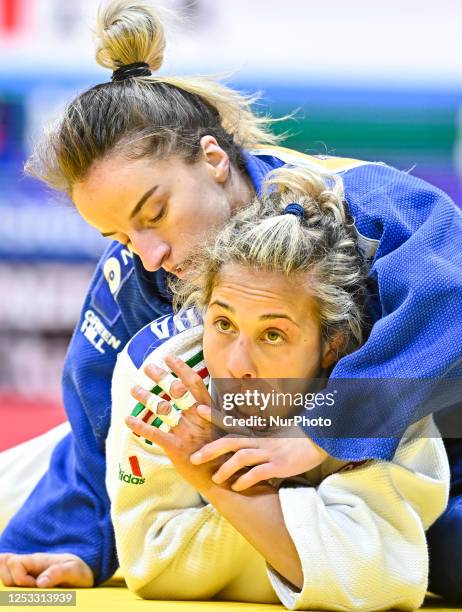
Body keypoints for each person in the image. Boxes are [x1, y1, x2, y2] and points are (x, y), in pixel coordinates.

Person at [0, 0, 461, 598]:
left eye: (155, 213)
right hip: (266, 490)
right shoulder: (139, 272)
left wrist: (330, 425)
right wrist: (65, 542)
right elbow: (97, 416)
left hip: (428, 462)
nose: (148, 253)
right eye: (119, 236)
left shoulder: (363, 204)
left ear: (214, 158)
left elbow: (451, 305)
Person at [106, 166, 449, 610]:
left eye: (273, 335)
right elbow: (154, 565)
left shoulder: (385, 390)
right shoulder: (163, 378)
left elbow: (384, 580)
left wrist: (222, 485)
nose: (236, 366)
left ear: (333, 345)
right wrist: (313, 528)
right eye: (223, 323)